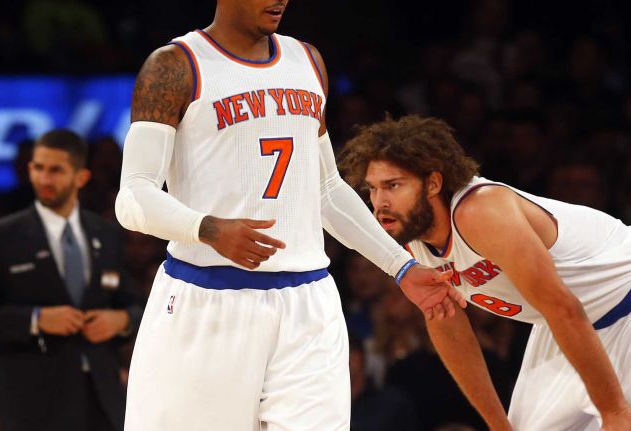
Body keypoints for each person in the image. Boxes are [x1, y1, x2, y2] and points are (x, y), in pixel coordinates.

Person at [114, 1, 463, 429]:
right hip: (207, 298)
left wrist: (401, 267)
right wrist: (206, 229)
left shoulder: (307, 60)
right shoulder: (175, 66)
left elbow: (326, 189)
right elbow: (133, 195)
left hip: (308, 301)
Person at [338, 115, 631, 431]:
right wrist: (498, 424)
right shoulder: (411, 238)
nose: (379, 203)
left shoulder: (481, 212)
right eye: (373, 189)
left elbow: (563, 307)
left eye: (393, 185)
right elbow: (448, 325)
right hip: (567, 323)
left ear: (433, 183)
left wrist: (615, 410)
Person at [0, 129, 144, 431]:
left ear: (81, 177)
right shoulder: (4, 236)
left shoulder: (106, 233)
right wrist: (35, 319)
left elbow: (138, 306)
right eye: (38, 167)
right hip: (31, 401)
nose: (44, 179)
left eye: (56, 170)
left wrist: (120, 321)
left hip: (102, 398)